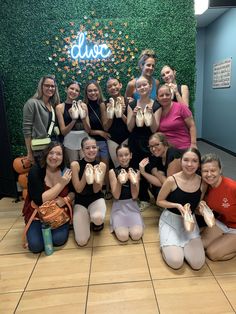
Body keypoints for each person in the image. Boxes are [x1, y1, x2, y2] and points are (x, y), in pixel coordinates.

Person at [156, 148, 207, 270]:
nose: (190, 164)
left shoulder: (203, 183)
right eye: (186, 160)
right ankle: (167, 244)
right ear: (181, 161)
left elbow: (196, 206)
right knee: (176, 262)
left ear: (199, 164)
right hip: (171, 221)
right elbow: (159, 201)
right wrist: (176, 205)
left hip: (189, 222)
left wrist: (201, 210)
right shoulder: (171, 180)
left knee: (197, 264)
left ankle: (181, 247)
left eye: (194, 161)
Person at [22, 142, 74, 253]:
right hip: (37, 214)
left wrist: (65, 200)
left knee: (58, 240)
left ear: (63, 157)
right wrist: (61, 184)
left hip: (58, 213)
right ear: (46, 154)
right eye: (51, 153)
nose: (54, 157)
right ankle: (34, 230)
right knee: (36, 247)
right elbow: (39, 200)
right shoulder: (35, 171)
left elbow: (74, 192)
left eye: (59, 154)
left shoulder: (66, 170)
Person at [127, 76, 161, 210]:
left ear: (150, 86)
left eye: (144, 85)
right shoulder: (132, 104)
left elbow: (154, 129)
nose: (142, 88)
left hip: (149, 143)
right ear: (136, 89)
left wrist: (151, 115)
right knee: (135, 169)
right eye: (139, 86)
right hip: (134, 141)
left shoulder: (156, 105)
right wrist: (134, 116)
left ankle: (149, 197)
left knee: (148, 169)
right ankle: (140, 197)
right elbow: (129, 128)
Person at [71, 136, 107, 246]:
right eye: (87, 148)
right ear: (82, 150)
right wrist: (86, 175)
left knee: (97, 218)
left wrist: (96, 175)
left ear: (97, 148)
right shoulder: (75, 165)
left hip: (96, 198)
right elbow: (78, 189)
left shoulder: (101, 165)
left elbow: (96, 190)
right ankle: (85, 219)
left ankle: (96, 223)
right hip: (80, 201)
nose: (91, 150)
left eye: (94, 147)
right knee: (81, 242)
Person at [200, 153, 236, 261]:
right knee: (201, 245)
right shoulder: (206, 186)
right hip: (223, 223)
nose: (209, 174)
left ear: (220, 170)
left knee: (212, 253)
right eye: (205, 171)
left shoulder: (232, 187)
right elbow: (199, 207)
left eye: (213, 170)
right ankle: (227, 241)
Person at [82, 80, 111, 199]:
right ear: (86, 92)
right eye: (90, 90)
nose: (93, 93)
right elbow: (88, 129)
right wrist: (99, 132)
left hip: (103, 142)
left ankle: (108, 190)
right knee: (94, 168)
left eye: (95, 90)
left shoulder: (103, 104)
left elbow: (105, 126)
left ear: (99, 91)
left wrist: (111, 114)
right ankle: (97, 191)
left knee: (105, 167)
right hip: (91, 142)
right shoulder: (84, 105)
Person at [23, 75, 60, 164]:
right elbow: (26, 129)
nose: (50, 88)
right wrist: (29, 153)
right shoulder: (32, 103)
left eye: (52, 86)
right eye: (47, 85)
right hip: (40, 150)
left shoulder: (52, 105)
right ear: (41, 86)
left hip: (53, 147)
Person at [109, 144, 143, 242]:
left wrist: (133, 181)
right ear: (117, 157)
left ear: (130, 155)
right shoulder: (113, 172)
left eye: (126, 154)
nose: (124, 158)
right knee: (123, 237)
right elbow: (116, 196)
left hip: (132, 205)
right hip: (119, 206)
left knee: (136, 235)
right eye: (120, 155)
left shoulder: (136, 171)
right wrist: (120, 181)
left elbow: (135, 196)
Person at [56, 81, 89, 166]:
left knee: (86, 166)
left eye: (77, 90)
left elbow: (88, 130)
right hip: (69, 141)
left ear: (79, 93)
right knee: (73, 167)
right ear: (66, 89)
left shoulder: (83, 106)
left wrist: (83, 118)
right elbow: (63, 132)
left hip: (84, 140)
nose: (74, 92)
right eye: (71, 88)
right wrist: (73, 119)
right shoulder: (60, 107)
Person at [139, 132, 182, 198]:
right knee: (156, 189)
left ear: (164, 143)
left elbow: (169, 185)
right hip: (173, 187)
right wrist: (143, 172)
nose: (153, 149)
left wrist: (155, 173)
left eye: (156, 145)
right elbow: (160, 183)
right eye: (151, 146)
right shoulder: (160, 157)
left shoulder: (173, 155)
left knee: (160, 191)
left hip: (183, 189)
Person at [100, 77, 130, 167]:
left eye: (115, 85)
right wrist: (111, 112)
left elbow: (131, 126)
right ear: (107, 90)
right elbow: (105, 127)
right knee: (117, 166)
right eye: (109, 86)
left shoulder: (129, 101)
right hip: (112, 139)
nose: (113, 88)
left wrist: (121, 114)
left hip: (127, 137)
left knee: (128, 164)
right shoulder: (104, 104)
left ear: (120, 85)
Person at [157, 84, 197, 150]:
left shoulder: (181, 107)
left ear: (171, 95)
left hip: (183, 147)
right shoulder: (157, 111)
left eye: (167, 94)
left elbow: (192, 126)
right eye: (161, 95)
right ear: (157, 98)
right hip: (165, 150)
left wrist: (193, 144)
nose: (165, 97)